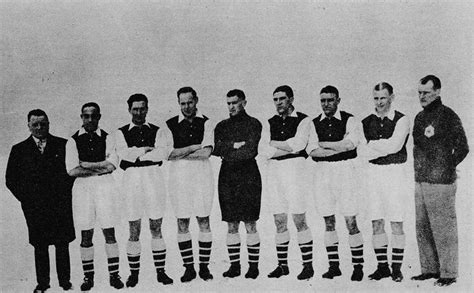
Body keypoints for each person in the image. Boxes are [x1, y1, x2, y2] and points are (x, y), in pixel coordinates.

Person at [6, 109, 75, 293]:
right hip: (35, 208)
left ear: (49, 124)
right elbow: (11, 180)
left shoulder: (63, 145)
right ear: (28, 126)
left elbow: (72, 174)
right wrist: (28, 200)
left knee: (62, 244)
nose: (39, 128)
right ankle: (43, 284)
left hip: (60, 205)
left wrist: (62, 195)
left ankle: (65, 282)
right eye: (35, 124)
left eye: (43, 124)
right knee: (40, 245)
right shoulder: (19, 150)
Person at [411, 75, 469, 287]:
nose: (422, 96)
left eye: (426, 92)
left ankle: (448, 273)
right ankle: (429, 269)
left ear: (438, 91)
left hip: (441, 182)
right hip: (421, 180)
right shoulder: (419, 117)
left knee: (443, 227)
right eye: (419, 93)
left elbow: (463, 147)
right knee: (423, 226)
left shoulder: (448, 116)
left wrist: (446, 166)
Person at [115, 93, 174, 287]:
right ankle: (134, 274)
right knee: (134, 228)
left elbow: (163, 153)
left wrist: (137, 153)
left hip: (153, 178)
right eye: (135, 109)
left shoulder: (159, 130)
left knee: (156, 226)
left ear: (147, 109)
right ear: (129, 110)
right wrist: (145, 150)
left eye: (142, 108)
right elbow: (123, 154)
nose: (139, 112)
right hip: (131, 180)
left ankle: (161, 272)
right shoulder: (120, 132)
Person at [307, 85, 365, 281]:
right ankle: (334, 266)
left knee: (350, 220)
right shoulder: (314, 123)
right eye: (323, 100)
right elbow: (313, 151)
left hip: (345, 171)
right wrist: (338, 146)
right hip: (322, 173)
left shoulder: (350, 119)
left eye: (330, 100)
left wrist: (326, 144)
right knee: (328, 221)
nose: (326, 104)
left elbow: (350, 145)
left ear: (338, 100)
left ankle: (358, 267)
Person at [66, 102, 124, 291]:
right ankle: (88, 277)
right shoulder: (73, 141)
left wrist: (87, 165)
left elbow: (112, 166)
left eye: (94, 115)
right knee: (86, 232)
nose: (90, 119)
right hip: (83, 189)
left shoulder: (109, 137)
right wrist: (100, 166)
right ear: (81, 117)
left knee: (109, 231)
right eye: (86, 116)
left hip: (105, 187)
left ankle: (114, 275)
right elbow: (73, 170)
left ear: (99, 117)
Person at [258, 85, 314, 280]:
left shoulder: (304, 120)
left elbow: (299, 145)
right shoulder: (269, 122)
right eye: (275, 99)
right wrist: (288, 147)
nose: (279, 102)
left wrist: (276, 145)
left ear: (291, 99)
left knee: (299, 218)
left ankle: (308, 265)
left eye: (282, 98)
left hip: (296, 170)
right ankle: (283, 265)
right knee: (279, 220)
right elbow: (263, 149)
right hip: (274, 172)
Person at [359, 82, 410, 282]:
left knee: (396, 220)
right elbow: (362, 151)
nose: (379, 102)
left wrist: (373, 146)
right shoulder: (365, 121)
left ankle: (396, 268)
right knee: (376, 220)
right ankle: (383, 267)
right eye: (376, 98)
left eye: (383, 98)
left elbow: (396, 146)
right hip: (373, 174)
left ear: (392, 97)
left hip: (395, 173)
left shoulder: (402, 119)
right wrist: (379, 147)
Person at [166, 87, 215, 282]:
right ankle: (189, 268)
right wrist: (194, 146)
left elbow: (206, 153)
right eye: (182, 103)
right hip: (179, 178)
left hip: (202, 176)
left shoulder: (207, 122)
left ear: (196, 100)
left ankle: (204, 267)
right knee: (182, 222)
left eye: (190, 102)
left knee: (203, 220)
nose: (186, 106)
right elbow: (169, 154)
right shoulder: (170, 124)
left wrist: (182, 152)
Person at [213, 89, 262, 279]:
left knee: (250, 222)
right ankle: (234, 266)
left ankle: (253, 267)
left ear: (244, 102)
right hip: (227, 175)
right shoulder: (221, 125)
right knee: (231, 223)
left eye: (235, 102)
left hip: (249, 175)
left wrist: (230, 148)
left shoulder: (254, 123)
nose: (231, 106)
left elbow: (251, 150)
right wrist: (235, 145)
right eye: (228, 103)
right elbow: (216, 149)